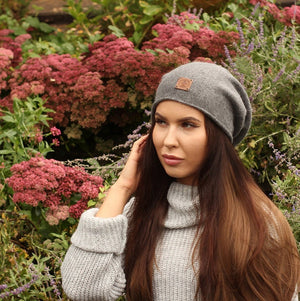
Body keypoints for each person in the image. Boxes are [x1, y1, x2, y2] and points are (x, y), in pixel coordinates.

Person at [61, 62, 300, 301]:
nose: (169, 140)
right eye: (162, 122)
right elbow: (84, 289)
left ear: (218, 137)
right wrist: (122, 187)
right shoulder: (139, 213)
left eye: (188, 125)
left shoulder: (256, 221)